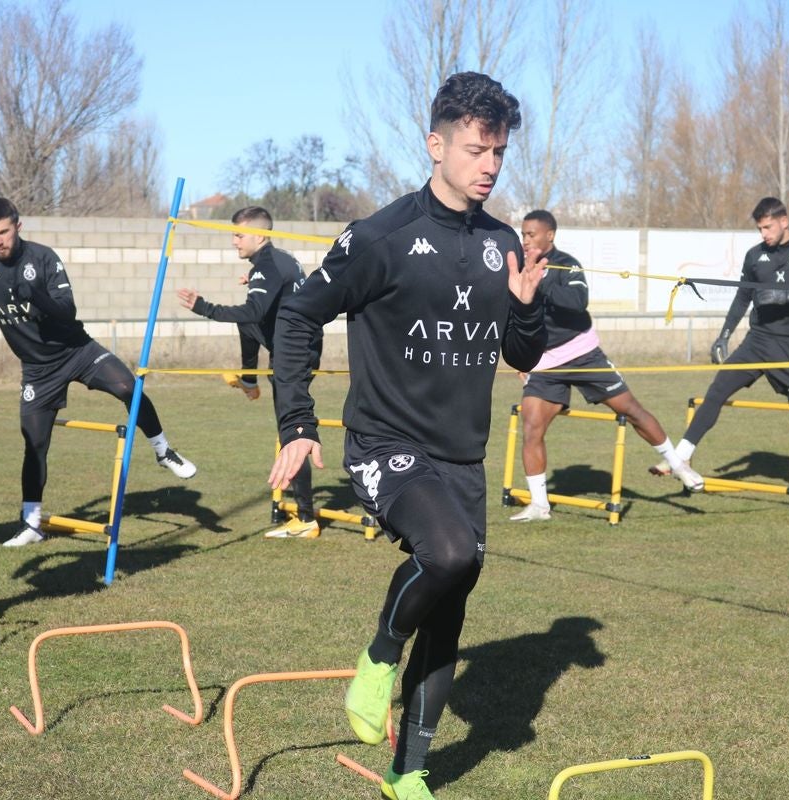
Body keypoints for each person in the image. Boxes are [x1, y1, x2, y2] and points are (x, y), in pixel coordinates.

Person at [268, 72, 546, 800]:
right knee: (448, 554)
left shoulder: (502, 242)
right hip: (385, 443)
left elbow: (522, 355)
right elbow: (297, 317)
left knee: (450, 602)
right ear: (436, 144)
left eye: (499, 152)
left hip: (463, 457)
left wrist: (525, 308)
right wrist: (297, 421)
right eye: (476, 149)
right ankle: (377, 658)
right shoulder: (381, 235)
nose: (489, 165)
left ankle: (409, 772)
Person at [0, 197, 196, 548]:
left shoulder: (43, 258)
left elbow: (67, 310)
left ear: (18, 226)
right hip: (37, 370)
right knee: (34, 445)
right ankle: (32, 525)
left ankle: (163, 450)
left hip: (77, 351)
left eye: (4, 231)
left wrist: (37, 298)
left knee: (129, 387)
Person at [511, 210, 703, 521]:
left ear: (550, 236)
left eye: (532, 234)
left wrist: (541, 280)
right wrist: (520, 354)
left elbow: (577, 302)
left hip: (582, 352)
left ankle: (678, 464)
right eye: (523, 234)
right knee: (531, 426)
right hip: (545, 361)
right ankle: (539, 505)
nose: (526, 240)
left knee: (630, 409)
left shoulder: (566, 264)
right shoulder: (519, 269)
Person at [650, 197, 789, 501]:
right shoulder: (754, 256)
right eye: (760, 228)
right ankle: (679, 457)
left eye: (768, 227)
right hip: (757, 342)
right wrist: (723, 336)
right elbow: (741, 299)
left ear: (784, 221)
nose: (764, 233)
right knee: (717, 390)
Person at [178, 205, 322, 538]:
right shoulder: (277, 260)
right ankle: (248, 380)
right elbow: (273, 298)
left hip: (294, 354)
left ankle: (305, 519)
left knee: (294, 431)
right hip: (296, 347)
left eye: (239, 235)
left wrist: (203, 307)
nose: (233, 241)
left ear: (260, 235)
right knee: (248, 326)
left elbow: (254, 309)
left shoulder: (268, 265)